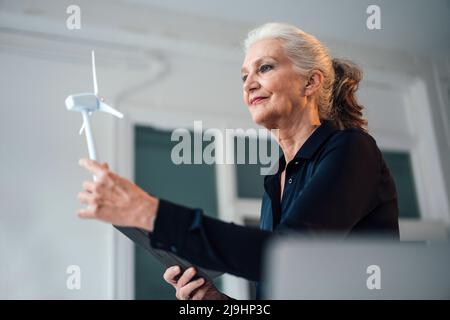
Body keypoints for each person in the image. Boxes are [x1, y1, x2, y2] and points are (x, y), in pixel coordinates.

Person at [77, 23, 399, 300]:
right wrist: (219, 301)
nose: (248, 84)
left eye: (265, 68)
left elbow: (287, 255)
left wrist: (148, 212)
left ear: (311, 82)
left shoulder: (352, 150)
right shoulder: (275, 184)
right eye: (244, 75)